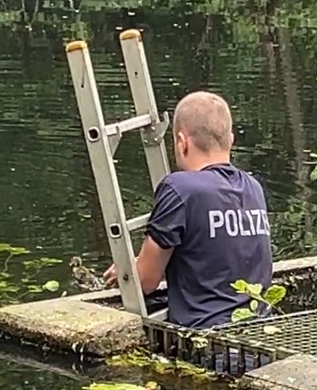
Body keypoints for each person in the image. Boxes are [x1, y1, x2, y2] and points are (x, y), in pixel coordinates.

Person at [104, 90, 273, 328]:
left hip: (207, 342)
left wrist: (128, 269)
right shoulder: (253, 188)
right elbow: (216, 259)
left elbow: (144, 282)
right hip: (259, 333)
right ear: (231, 140)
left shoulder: (180, 188)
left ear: (183, 143)